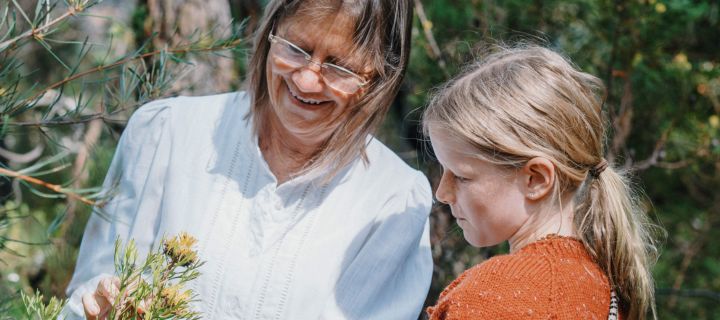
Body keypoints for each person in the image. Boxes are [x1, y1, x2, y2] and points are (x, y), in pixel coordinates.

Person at [62, 0, 433, 319]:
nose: (306, 80)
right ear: (269, 33)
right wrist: (100, 303)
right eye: (296, 48)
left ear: (379, 78)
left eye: (338, 66)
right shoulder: (166, 134)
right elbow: (88, 293)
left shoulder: (393, 202)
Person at [423, 45, 659, 319]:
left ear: (536, 179)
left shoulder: (490, 298)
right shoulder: (600, 286)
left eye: (461, 176)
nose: (442, 193)